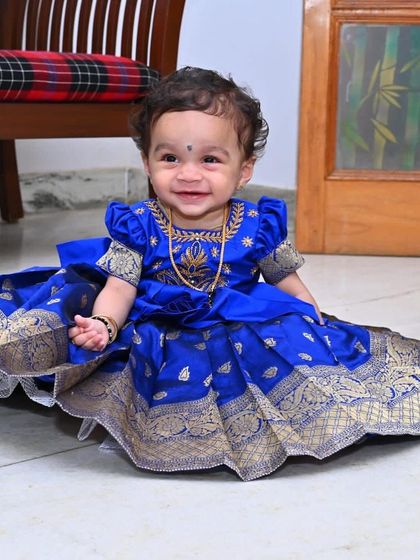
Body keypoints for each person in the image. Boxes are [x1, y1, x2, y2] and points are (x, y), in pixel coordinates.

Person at [0, 67, 419, 481]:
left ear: (244, 169)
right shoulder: (139, 224)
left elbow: (287, 283)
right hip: (154, 324)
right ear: (147, 163)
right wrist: (104, 324)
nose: (188, 174)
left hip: (234, 320)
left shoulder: (257, 224)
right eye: (170, 158)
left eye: (210, 159)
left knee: (291, 341)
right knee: (83, 338)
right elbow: (120, 288)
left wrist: (309, 316)